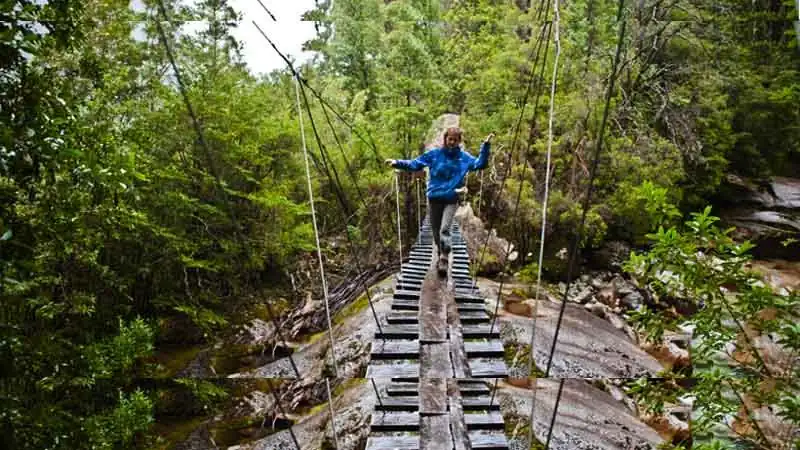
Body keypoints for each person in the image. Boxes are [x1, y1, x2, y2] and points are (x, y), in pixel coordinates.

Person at [385, 127, 495, 274]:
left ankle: (444, 257)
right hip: (434, 198)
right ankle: (440, 253)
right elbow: (415, 164)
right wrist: (397, 163)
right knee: (436, 231)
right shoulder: (434, 155)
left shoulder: (464, 158)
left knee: (444, 228)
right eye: (450, 139)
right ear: (445, 139)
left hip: (451, 199)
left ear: (459, 141)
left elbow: (480, 164)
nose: (452, 142)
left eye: (455, 140)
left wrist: (485, 146)